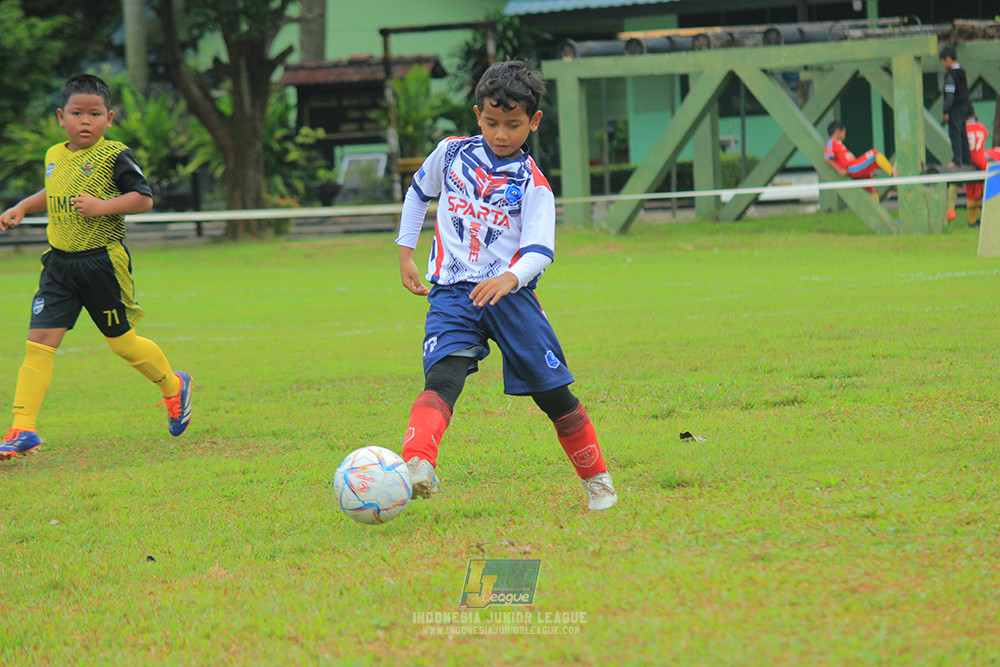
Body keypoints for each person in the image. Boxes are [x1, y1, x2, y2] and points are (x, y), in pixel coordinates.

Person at [394, 60, 617, 511]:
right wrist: (406, 253)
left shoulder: (534, 185)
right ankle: (417, 466)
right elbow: (419, 192)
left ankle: (599, 482)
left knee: (553, 393)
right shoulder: (452, 154)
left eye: (513, 125)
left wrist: (509, 277)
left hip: (511, 297)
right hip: (453, 293)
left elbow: (540, 251)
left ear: (533, 122)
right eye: (492, 122)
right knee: (442, 376)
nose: (500, 134)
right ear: (478, 114)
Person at [0, 74, 193, 459]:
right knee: (39, 343)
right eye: (76, 113)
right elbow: (53, 189)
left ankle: (174, 386)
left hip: (101, 262)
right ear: (61, 117)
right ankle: (23, 429)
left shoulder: (114, 155)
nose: (85, 121)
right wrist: (23, 206)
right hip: (59, 265)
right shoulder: (54, 155)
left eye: (94, 114)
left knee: (122, 344)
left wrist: (102, 206)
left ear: (109, 118)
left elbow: (143, 199)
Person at [823, 121, 894, 197]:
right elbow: (827, 158)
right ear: (837, 131)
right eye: (844, 132)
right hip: (853, 168)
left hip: (855, 167)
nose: (845, 135)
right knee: (874, 153)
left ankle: (874, 206)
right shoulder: (831, 142)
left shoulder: (839, 143)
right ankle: (894, 173)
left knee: (872, 184)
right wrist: (839, 170)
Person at [940, 46, 972, 168]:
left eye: (943, 62)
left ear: (948, 59)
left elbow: (949, 95)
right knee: (963, 132)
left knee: (955, 133)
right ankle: (966, 159)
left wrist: (945, 110)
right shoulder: (962, 73)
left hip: (955, 108)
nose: (943, 65)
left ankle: (957, 160)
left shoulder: (951, 75)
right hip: (964, 107)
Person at [964, 109, 990, 227]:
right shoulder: (982, 127)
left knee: (971, 191)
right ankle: (988, 215)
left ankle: (972, 220)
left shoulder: (963, 127)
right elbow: (984, 137)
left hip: (968, 161)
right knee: (986, 186)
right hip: (980, 159)